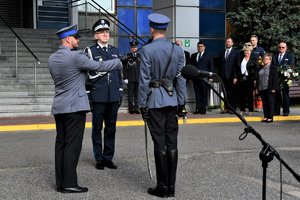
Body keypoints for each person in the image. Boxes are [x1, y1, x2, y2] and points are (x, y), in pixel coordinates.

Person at [48, 24, 122, 193]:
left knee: (61, 144)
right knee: (72, 146)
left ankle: (61, 182)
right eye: (75, 38)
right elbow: (100, 67)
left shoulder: (52, 58)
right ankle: (69, 184)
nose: (77, 40)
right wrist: (119, 62)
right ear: (68, 39)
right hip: (75, 108)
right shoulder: (76, 57)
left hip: (59, 106)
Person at [138, 13, 187, 198]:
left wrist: (142, 104)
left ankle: (162, 187)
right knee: (171, 142)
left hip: (154, 100)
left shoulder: (147, 50)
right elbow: (180, 80)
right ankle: (171, 187)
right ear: (165, 30)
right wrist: (182, 102)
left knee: (159, 143)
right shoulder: (177, 50)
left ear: (152, 29)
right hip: (172, 99)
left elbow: (144, 81)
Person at [86, 19, 123, 170]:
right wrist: (88, 95)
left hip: (113, 95)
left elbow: (118, 74)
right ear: (96, 35)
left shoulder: (115, 51)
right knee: (97, 128)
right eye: (102, 32)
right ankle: (99, 158)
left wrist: (120, 92)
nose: (106, 34)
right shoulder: (90, 51)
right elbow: (87, 75)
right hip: (98, 96)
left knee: (111, 128)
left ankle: (108, 157)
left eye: (107, 31)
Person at [271, 41, 296, 116]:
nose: (281, 48)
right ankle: (276, 111)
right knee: (276, 95)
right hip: (276, 78)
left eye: (283, 47)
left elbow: (291, 65)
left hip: (285, 78)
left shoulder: (289, 55)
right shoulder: (275, 56)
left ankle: (286, 111)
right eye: (280, 47)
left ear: (286, 48)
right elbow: (272, 66)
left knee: (285, 95)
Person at [191, 41, 215, 114]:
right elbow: (192, 67)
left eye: (201, 46)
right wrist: (191, 77)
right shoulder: (193, 55)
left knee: (204, 94)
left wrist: (211, 77)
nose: (200, 48)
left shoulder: (208, 55)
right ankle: (198, 108)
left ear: (204, 47)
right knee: (197, 94)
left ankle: (203, 109)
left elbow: (212, 66)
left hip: (204, 78)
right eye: (198, 46)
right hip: (195, 78)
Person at [219, 37, 240, 114]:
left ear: (232, 43)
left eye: (229, 42)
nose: (228, 43)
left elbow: (237, 66)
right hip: (223, 76)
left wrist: (235, 77)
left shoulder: (236, 52)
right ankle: (226, 108)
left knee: (232, 93)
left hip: (232, 76)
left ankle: (232, 108)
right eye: (227, 42)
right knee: (225, 93)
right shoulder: (222, 52)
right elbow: (220, 65)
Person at [256, 53, 279, 123]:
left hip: (269, 88)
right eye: (264, 59)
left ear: (270, 60)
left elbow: (275, 79)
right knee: (265, 103)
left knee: (270, 103)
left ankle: (270, 117)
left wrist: (273, 88)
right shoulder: (261, 67)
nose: (265, 60)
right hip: (261, 88)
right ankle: (266, 116)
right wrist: (257, 88)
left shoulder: (273, 67)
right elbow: (258, 78)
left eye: (267, 59)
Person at [237, 46, 258, 115]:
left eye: (248, 51)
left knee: (250, 96)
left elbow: (255, 70)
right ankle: (242, 109)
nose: (247, 53)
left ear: (250, 52)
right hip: (242, 79)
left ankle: (250, 110)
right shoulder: (241, 59)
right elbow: (237, 68)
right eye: (245, 51)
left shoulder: (253, 59)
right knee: (241, 95)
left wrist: (255, 79)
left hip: (250, 79)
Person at [123, 41, 141, 114]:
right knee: (130, 94)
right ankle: (131, 108)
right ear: (130, 48)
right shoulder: (128, 56)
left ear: (137, 48)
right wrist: (125, 77)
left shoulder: (140, 56)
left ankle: (136, 107)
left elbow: (142, 68)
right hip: (130, 78)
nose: (134, 49)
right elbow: (125, 68)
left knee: (137, 94)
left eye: (135, 47)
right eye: (132, 48)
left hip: (138, 78)